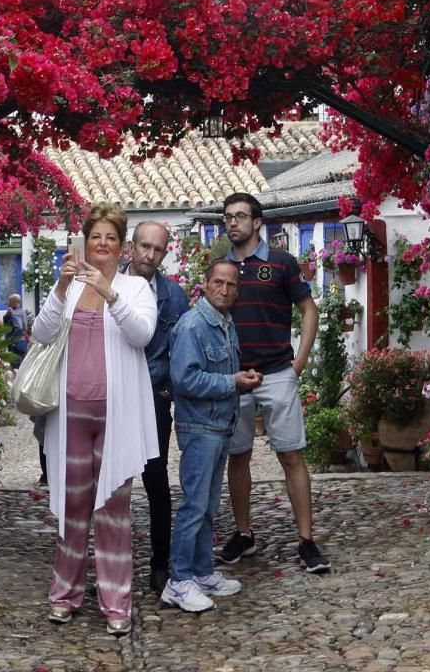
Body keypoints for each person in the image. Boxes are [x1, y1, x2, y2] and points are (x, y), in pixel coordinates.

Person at [32, 203, 158, 636]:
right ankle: (63, 596)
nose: (102, 244)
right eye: (96, 236)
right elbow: (42, 333)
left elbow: (143, 334)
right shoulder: (67, 287)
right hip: (70, 416)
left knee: (114, 512)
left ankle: (116, 602)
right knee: (72, 509)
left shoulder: (135, 287)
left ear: (121, 247)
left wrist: (109, 294)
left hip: (116, 418)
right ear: (84, 241)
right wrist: (61, 288)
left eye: (110, 238)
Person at [218, 193, 331, 574]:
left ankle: (306, 540)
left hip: (278, 373)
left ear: (258, 222)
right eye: (227, 217)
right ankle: (244, 533)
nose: (233, 223)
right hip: (237, 377)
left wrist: (299, 362)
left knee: (292, 455)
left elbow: (308, 309)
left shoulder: (281, 263)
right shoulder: (221, 269)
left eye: (240, 216)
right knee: (239, 456)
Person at [162, 259, 261, 612]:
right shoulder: (193, 326)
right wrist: (232, 382)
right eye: (218, 283)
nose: (225, 289)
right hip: (199, 428)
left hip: (220, 425)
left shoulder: (225, 323)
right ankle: (178, 580)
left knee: (207, 506)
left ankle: (202, 572)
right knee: (193, 506)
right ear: (204, 284)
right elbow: (184, 380)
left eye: (231, 285)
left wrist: (240, 377)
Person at [124, 221, 189, 593]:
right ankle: (106, 565)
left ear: (165, 252)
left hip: (153, 398)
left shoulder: (173, 296)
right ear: (131, 247)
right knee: (110, 484)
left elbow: (180, 350)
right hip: (115, 395)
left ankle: (160, 563)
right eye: (144, 247)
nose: (150, 255)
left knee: (156, 480)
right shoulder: (110, 287)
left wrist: (167, 392)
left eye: (158, 249)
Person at [5, 293, 29, 367]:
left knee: (16, 367)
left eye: (9, 300)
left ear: (14, 302)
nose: (8, 302)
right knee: (21, 366)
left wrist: (11, 340)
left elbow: (19, 328)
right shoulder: (22, 311)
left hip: (15, 345)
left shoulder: (14, 313)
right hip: (22, 343)